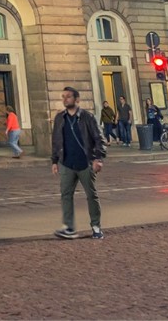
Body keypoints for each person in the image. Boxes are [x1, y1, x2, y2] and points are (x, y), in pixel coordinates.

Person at [51, 86, 105, 239]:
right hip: (66, 163)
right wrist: (54, 161)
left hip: (85, 163)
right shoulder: (60, 118)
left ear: (77, 99)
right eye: (63, 96)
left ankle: (96, 226)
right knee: (66, 195)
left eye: (68, 96)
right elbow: (56, 140)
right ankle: (69, 227)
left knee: (91, 195)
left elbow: (99, 139)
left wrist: (98, 158)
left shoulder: (87, 117)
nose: (65, 99)